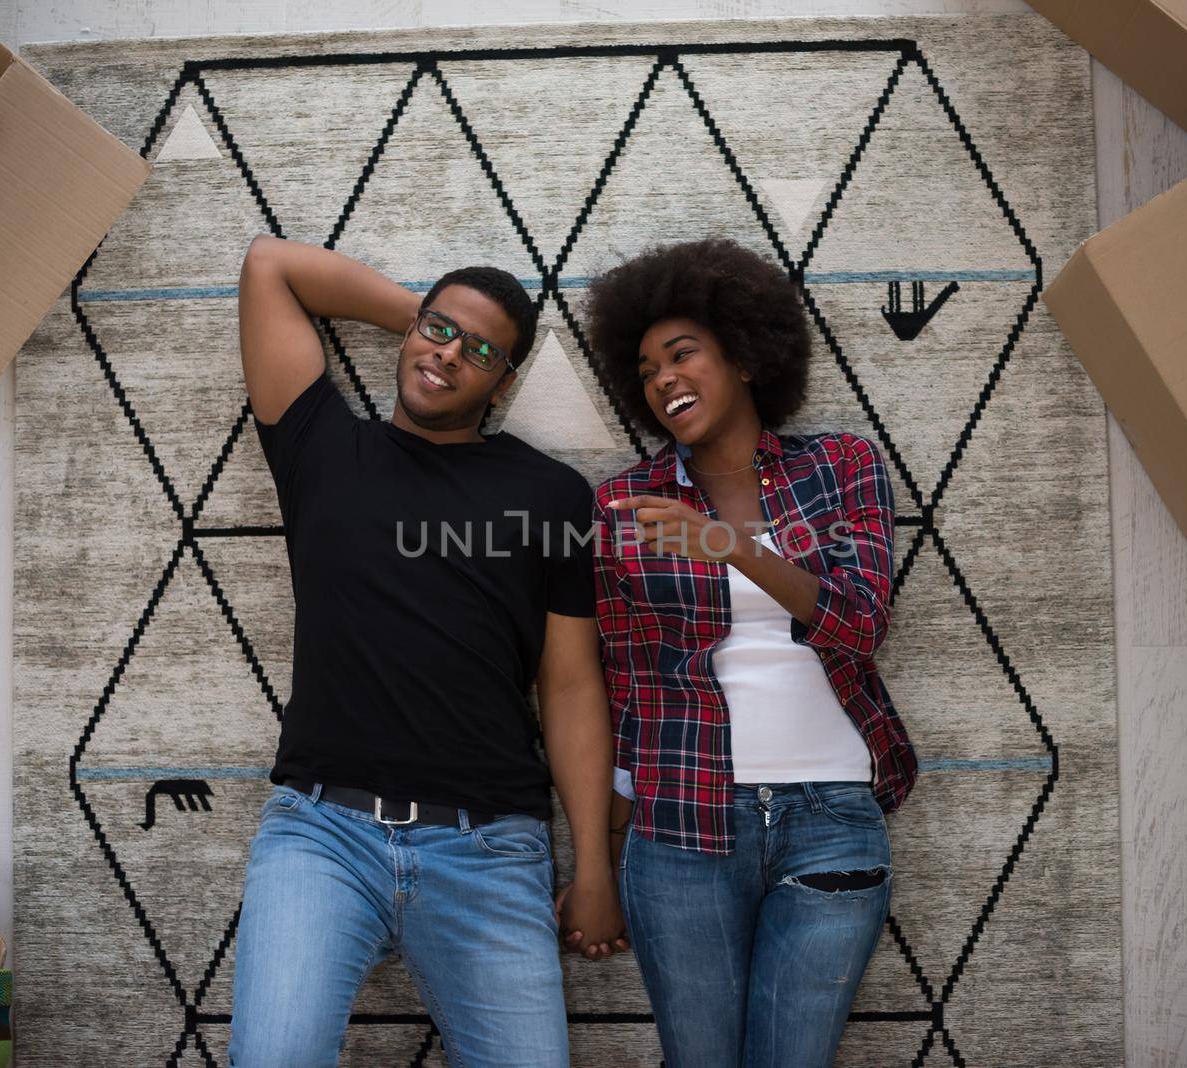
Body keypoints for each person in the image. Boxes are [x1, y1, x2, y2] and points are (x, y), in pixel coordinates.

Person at [227, 235, 626, 1068]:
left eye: (481, 352)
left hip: (489, 849)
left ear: (505, 382)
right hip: (322, 835)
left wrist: (594, 866)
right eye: (437, 331)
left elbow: (571, 686)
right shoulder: (325, 449)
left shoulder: (551, 495)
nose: (447, 355)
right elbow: (271, 265)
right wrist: (436, 323)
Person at [583, 236, 919, 1067]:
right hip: (682, 825)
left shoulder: (842, 466)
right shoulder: (625, 501)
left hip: (831, 820)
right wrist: (602, 854)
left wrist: (730, 543)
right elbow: (623, 681)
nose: (664, 378)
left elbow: (860, 624)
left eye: (683, 353)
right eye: (647, 367)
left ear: (740, 354)